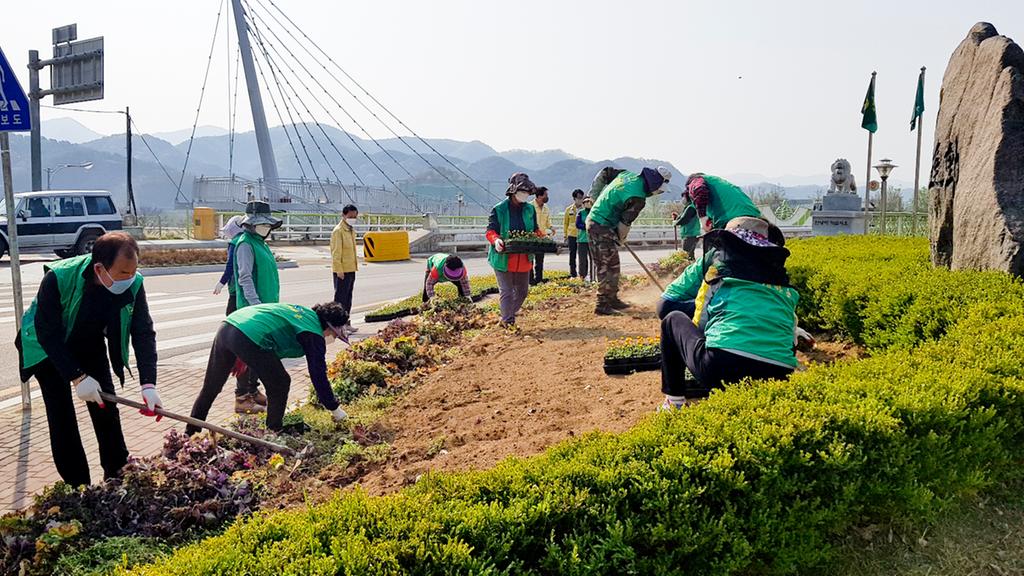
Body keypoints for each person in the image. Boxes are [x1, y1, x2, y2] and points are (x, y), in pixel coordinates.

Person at [16, 232, 159, 487]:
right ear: (99, 268)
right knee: (62, 415)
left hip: (87, 342)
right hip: (47, 348)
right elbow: (47, 333)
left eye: (134, 270)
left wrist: (149, 384)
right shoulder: (58, 278)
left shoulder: (133, 283)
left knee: (105, 406)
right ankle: (78, 484)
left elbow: (143, 331)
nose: (130, 277)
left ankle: (117, 472)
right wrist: (77, 377)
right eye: (123, 272)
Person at [659, 217, 799, 410]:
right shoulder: (787, 291)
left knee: (672, 320)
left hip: (721, 369)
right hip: (779, 374)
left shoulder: (719, 280)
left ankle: (674, 402)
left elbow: (700, 325)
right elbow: (791, 339)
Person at [187, 302, 350, 434]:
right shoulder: (313, 332)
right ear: (329, 327)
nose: (331, 338)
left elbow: (268, 341)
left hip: (229, 326)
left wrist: (240, 353)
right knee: (280, 382)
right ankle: (274, 430)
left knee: (211, 387)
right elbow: (318, 375)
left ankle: (190, 433)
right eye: (334, 335)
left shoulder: (303, 315)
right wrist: (335, 408)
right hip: (247, 334)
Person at [586, 166, 672, 315]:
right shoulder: (638, 198)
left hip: (600, 223)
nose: (657, 193)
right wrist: (621, 238)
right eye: (659, 189)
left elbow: (604, 172)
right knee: (605, 265)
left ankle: (612, 299)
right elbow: (624, 224)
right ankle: (602, 305)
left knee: (613, 265)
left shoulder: (627, 175)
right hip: (601, 226)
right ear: (654, 184)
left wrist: (592, 196)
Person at [230, 201, 283, 413]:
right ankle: (242, 397)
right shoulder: (245, 244)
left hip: (266, 309)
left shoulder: (260, 243)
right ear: (250, 224)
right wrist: (257, 307)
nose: (266, 228)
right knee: (246, 355)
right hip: (253, 311)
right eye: (262, 224)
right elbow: (245, 278)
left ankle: (253, 391)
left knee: (259, 353)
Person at [486, 172, 541, 326]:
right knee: (507, 291)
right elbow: (490, 231)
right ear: (513, 190)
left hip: (523, 257)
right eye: (522, 192)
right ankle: (508, 321)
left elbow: (535, 230)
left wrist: (543, 237)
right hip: (503, 257)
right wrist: (496, 240)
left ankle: (507, 314)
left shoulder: (530, 209)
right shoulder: (499, 209)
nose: (525, 195)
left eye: (527, 192)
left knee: (523, 292)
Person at [676, 173, 762, 235]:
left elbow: (700, 190)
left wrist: (703, 219)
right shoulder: (716, 182)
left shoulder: (696, 180)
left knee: (723, 256)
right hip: (756, 218)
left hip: (734, 220)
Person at [330, 204, 359, 335]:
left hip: (351, 268)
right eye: (350, 216)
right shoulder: (338, 231)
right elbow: (336, 252)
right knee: (340, 300)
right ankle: (337, 326)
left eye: (355, 216)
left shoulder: (350, 230)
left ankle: (346, 323)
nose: (353, 218)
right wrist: (339, 270)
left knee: (348, 298)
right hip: (342, 271)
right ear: (343, 215)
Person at [531, 186, 556, 285]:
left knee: (540, 260)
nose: (547, 197)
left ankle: (539, 280)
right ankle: (530, 281)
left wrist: (551, 227)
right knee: (530, 261)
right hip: (532, 238)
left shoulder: (546, 208)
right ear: (539, 196)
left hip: (542, 238)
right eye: (546, 195)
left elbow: (547, 222)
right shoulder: (530, 207)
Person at [564, 189, 585, 278]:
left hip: (582, 235)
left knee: (582, 255)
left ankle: (582, 273)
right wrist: (565, 235)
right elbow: (566, 223)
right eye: (579, 198)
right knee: (572, 254)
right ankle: (573, 273)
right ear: (574, 198)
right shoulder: (569, 210)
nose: (580, 200)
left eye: (582, 198)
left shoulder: (585, 209)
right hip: (571, 235)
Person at [575, 196, 593, 281]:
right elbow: (578, 224)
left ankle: (593, 276)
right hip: (582, 239)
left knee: (593, 259)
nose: (587, 204)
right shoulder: (580, 213)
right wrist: (586, 227)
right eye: (585, 202)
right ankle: (582, 276)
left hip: (592, 239)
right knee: (582, 260)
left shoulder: (594, 213)